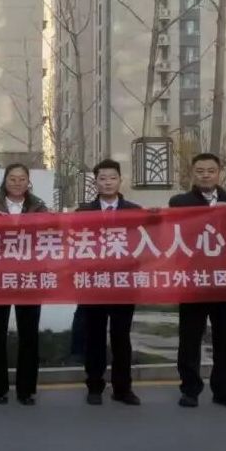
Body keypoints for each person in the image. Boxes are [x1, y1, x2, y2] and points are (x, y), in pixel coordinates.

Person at [169, 152, 226, 410]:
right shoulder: (180, 202)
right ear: (192, 174)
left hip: (225, 280)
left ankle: (224, 390)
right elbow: (170, 236)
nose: (205, 175)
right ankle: (190, 390)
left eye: (210, 171)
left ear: (219, 173)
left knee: (225, 338)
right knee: (189, 338)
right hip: (193, 280)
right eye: (200, 171)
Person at [0, 163, 49, 406]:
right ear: (5, 181)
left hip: (29, 278)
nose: (17, 183)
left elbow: (51, 234)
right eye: (12, 178)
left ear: (28, 182)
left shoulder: (39, 207)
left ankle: (26, 389)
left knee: (29, 334)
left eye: (22, 179)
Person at [76, 159, 142, 406]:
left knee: (121, 337)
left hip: (124, 283)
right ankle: (94, 386)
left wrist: (156, 218)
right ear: (95, 182)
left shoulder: (135, 211)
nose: (107, 183)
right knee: (94, 336)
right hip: (94, 283)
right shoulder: (83, 212)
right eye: (102, 178)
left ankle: (123, 388)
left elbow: (145, 244)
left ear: (120, 180)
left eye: (112, 178)